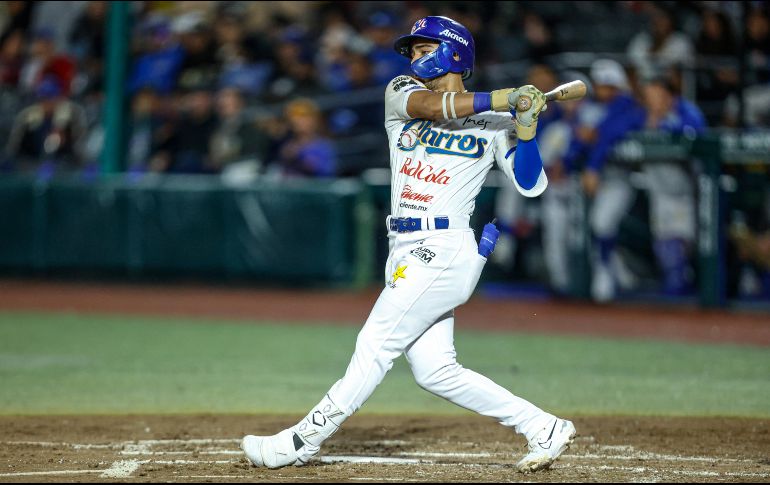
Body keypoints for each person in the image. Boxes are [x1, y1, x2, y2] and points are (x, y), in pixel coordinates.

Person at [241, 16, 575, 474]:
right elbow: (436, 109)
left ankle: (302, 440)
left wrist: (527, 127)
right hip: (404, 244)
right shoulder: (401, 92)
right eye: (414, 51)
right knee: (436, 371)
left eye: (423, 49)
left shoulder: (497, 123)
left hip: (443, 247)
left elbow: (531, 183)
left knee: (375, 343)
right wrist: (504, 98)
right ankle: (543, 426)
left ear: (454, 52)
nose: (414, 58)